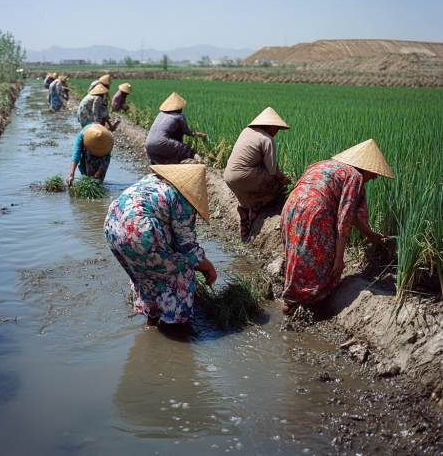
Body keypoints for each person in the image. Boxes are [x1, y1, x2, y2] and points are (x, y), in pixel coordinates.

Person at [280, 139, 395, 315]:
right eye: (375, 172)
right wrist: (339, 258)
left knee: (297, 253)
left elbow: (354, 215)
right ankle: (307, 300)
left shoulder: (325, 164)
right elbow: (345, 219)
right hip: (315, 212)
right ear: (366, 167)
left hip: (291, 206)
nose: (376, 177)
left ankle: (290, 299)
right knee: (321, 260)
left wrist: (370, 235)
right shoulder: (354, 176)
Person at [104, 164, 217, 327]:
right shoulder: (183, 201)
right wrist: (209, 267)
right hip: (140, 234)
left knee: (144, 273)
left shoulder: (151, 180)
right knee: (181, 270)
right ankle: (173, 324)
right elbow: (187, 248)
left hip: (112, 226)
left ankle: (152, 319)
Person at [224, 107, 291, 236]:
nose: (276, 132)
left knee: (260, 176)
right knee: (276, 183)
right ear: (269, 126)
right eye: (276, 129)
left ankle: (246, 208)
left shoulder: (246, 131)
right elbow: (272, 170)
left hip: (228, 176)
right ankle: (257, 207)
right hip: (244, 176)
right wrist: (283, 179)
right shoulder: (267, 139)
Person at [145, 92, 205, 165]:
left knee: (159, 160)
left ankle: (158, 169)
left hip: (148, 144)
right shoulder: (179, 117)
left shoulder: (160, 114)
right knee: (185, 149)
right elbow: (186, 132)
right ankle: (181, 167)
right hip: (161, 142)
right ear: (179, 108)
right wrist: (195, 134)